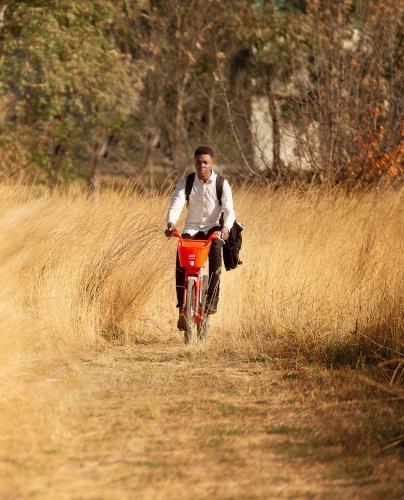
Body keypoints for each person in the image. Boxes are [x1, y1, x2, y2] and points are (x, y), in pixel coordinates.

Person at [165, 145, 235, 330]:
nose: (202, 165)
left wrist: (226, 227)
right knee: (181, 260)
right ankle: (182, 308)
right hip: (192, 228)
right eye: (198, 162)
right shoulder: (187, 181)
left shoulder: (221, 183)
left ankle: (212, 300)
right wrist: (171, 223)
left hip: (214, 228)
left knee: (216, 255)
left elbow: (229, 211)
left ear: (211, 163)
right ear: (194, 162)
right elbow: (177, 203)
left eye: (205, 162)